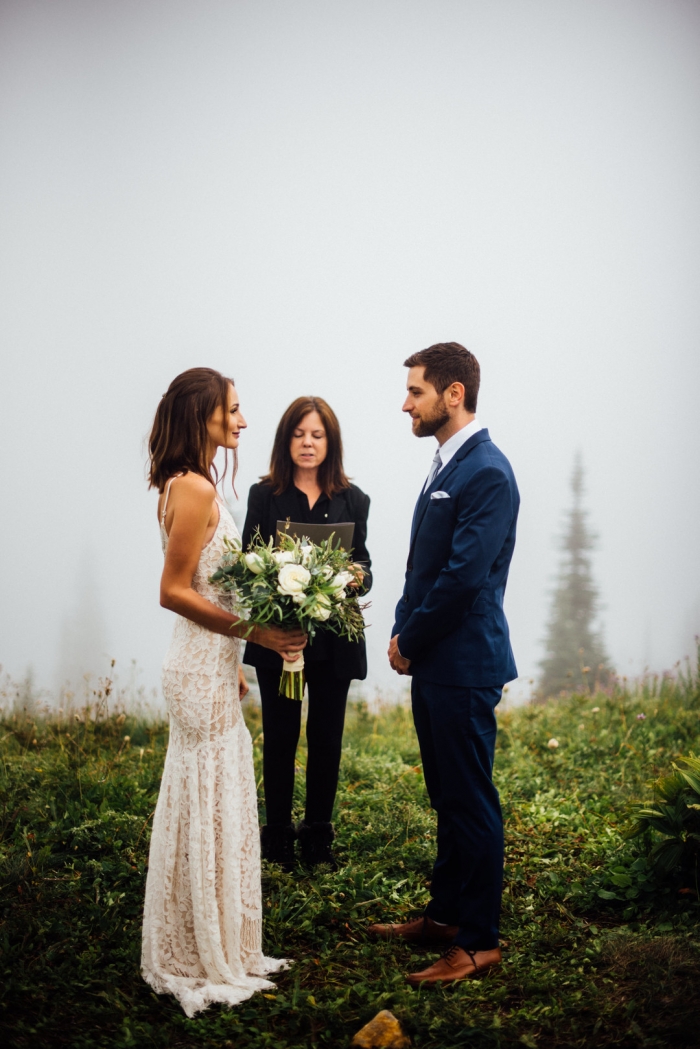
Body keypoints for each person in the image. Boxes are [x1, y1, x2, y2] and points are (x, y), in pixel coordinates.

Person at [141, 367, 307, 1016]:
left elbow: (208, 587)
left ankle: (219, 941)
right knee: (207, 803)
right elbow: (173, 590)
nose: (241, 421)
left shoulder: (200, 484)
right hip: (193, 672)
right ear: (201, 415)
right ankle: (198, 949)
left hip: (214, 669)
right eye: (231, 411)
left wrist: (235, 658)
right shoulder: (190, 488)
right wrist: (258, 634)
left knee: (213, 803)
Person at [368, 342, 519, 987]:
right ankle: (446, 918)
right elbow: (421, 565)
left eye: (416, 391)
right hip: (434, 660)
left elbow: (461, 580)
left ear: (453, 394)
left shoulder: (487, 470)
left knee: (471, 801)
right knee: (448, 796)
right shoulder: (444, 463)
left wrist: (414, 640)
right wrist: (402, 632)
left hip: (462, 664)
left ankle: (479, 942)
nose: (406, 403)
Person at [242, 396, 372, 870]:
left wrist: (355, 576)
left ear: (330, 442)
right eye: (299, 434)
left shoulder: (354, 499)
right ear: (286, 440)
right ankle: (276, 836)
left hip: (334, 643)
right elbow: (248, 565)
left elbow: (365, 565)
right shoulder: (266, 496)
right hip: (283, 642)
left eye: (317, 435)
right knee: (279, 735)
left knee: (326, 737)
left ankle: (317, 835)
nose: (308, 443)